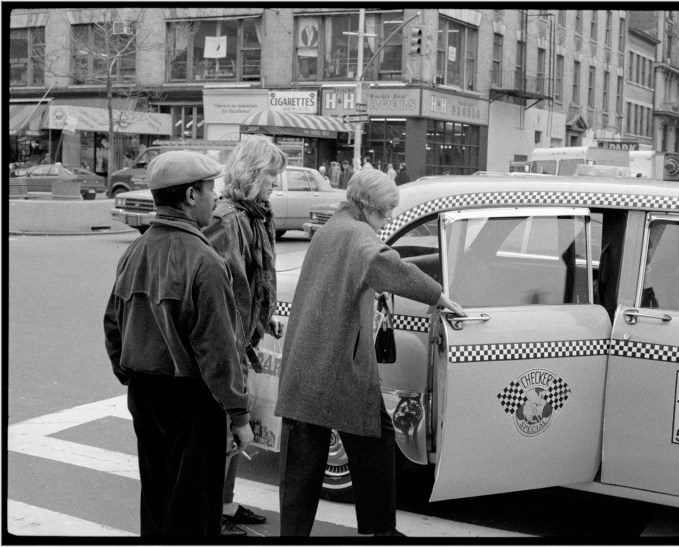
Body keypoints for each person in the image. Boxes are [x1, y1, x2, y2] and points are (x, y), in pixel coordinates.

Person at [274, 169, 465, 537]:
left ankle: (293, 535)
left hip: (309, 360)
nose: (390, 216)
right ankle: (381, 530)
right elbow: (383, 262)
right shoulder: (357, 234)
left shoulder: (334, 227)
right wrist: (437, 294)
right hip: (340, 364)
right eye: (388, 209)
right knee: (375, 442)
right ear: (370, 207)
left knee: (301, 461)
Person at [103, 151, 253, 536]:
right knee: (194, 512)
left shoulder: (133, 252)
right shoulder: (204, 260)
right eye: (210, 190)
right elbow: (217, 350)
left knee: (156, 501)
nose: (215, 198)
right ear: (190, 196)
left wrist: (130, 375)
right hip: (190, 401)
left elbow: (112, 325)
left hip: (144, 392)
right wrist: (239, 415)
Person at [203, 137, 286, 536]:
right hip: (227, 343)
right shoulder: (228, 219)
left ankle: (226, 505)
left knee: (235, 431)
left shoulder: (256, 213)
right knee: (225, 428)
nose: (275, 184)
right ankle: (213, 518)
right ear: (254, 174)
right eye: (271, 175)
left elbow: (252, 281)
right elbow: (218, 288)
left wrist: (261, 318)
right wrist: (237, 331)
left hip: (243, 338)